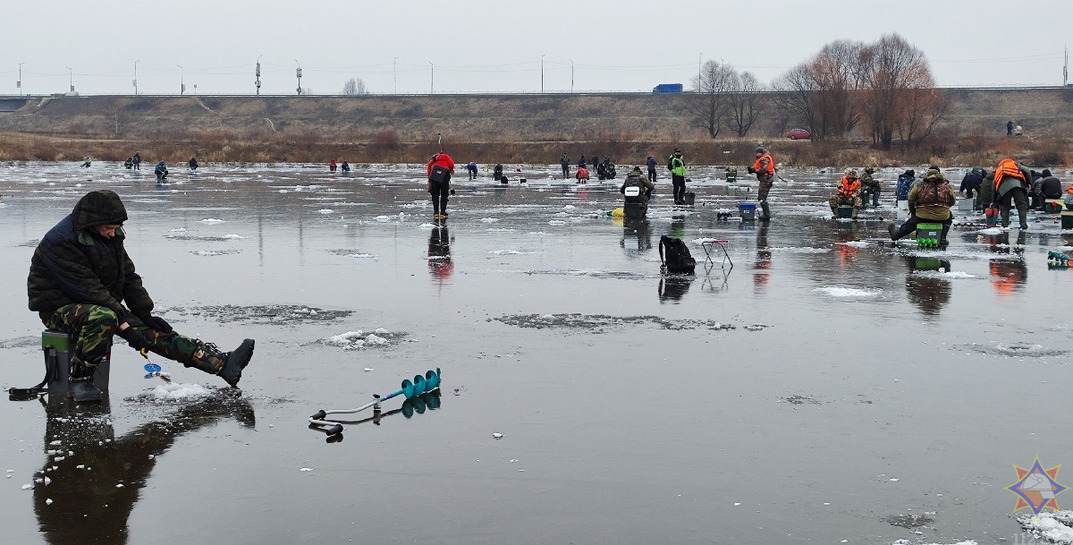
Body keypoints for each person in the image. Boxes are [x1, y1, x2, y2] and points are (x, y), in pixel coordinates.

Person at [27, 190, 255, 401]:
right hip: (59, 308)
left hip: (100, 304)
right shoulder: (60, 242)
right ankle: (80, 379)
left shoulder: (111, 236)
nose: (113, 232)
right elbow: (87, 289)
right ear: (92, 223)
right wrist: (124, 324)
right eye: (109, 228)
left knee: (152, 331)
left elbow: (128, 276)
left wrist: (144, 313)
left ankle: (222, 365)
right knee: (103, 317)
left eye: (117, 228)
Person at [888, 167, 956, 245]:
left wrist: (913, 212)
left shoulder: (920, 185)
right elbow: (953, 201)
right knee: (949, 217)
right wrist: (943, 208)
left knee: (911, 224)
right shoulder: (947, 186)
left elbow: (911, 199)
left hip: (922, 216)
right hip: (942, 217)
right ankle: (942, 238)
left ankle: (896, 235)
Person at [993, 157, 1030, 230]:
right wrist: (1028, 183)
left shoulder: (1000, 168)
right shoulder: (1016, 165)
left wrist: (994, 200)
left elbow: (994, 185)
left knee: (1005, 206)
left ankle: (1005, 225)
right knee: (1021, 205)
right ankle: (1023, 224)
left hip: (1004, 188)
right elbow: (1027, 171)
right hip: (1018, 186)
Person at [747, 146, 775, 220]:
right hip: (765, 180)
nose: (756, 154)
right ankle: (766, 214)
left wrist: (755, 171)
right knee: (761, 197)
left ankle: (767, 215)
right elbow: (758, 167)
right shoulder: (761, 159)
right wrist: (752, 169)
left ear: (761, 153)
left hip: (766, 180)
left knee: (762, 197)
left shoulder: (764, 159)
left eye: (757, 153)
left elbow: (764, 169)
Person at [427, 151, 455, 219]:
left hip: (434, 175)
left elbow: (429, 167)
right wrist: (451, 170)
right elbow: (451, 165)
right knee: (444, 194)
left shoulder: (434, 158)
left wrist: (429, 178)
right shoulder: (447, 157)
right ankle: (442, 212)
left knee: (435, 194)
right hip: (445, 175)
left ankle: (436, 212)